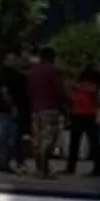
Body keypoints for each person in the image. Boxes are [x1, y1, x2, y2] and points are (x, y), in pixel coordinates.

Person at [25, 44, 66, 174]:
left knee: (37, 138)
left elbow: (29, 90)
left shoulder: (32, 71)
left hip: (35, 108)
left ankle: (38, 167)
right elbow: (59, 90)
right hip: (50, 108)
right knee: (49, 139)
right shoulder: (53, 71)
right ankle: (44, 167)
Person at [0, 52, 31, 174]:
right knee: (8, 136)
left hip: (12, 108)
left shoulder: (18, 74)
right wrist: (12, 105)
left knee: (11, 136)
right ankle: (4, 162)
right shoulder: (6, 73)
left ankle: (7, 162)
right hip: (7, 109)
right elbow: (5, 91)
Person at [64, 64, 100, 177]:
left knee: (75, 142)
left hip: (79, 114)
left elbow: (71, 97)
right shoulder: (95, 87)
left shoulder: (79, 86)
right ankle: (97, 167)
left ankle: (71, 166)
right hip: (91, 114)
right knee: (94, 142)